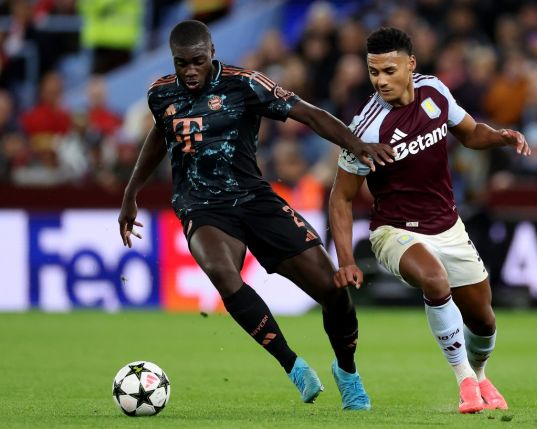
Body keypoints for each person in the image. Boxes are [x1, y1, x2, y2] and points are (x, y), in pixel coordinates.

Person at [117, 20, 395, 410]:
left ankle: (347, 372)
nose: (190, 70)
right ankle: (293, 366)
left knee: (334, 294)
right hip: (200, 205)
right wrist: (132, 193)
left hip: (255, 199)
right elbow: (160, 136)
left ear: (212, 51)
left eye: (197, 61)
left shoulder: (246, 83)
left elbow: (311, 115)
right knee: (224, 275)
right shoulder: (160, 93)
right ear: (173, 61)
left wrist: (357, 144)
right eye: (182, 63)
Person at [329, 27, 530, 414]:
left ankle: (482, 375)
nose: (381, 81)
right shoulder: (366, 128)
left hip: (449, 226)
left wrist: (502, 138)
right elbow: (341, 198)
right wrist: (346, 261)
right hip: (394, 231)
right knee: (435, 280)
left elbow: (470, 134)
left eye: (389, 70)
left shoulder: (435, 91)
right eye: (373, 73)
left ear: (410, 65)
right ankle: (465, 383)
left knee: (484, 321)